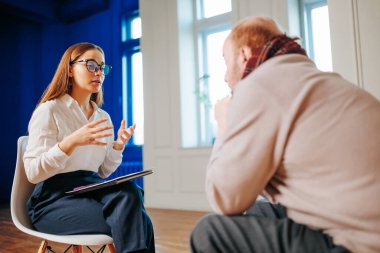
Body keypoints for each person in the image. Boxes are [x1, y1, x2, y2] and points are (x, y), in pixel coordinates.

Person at [190, 16, 380, 253]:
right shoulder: (316, 79)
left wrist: (223, 124)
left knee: (209, 232)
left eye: (225, 62)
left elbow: (225, 198)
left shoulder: (259, 85)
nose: (225, 77)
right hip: (359, 222)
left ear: (244, 55)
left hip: (359, 243)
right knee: (260, 211)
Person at [24, 42, 155, 253]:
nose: (99, 73)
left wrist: (118, 146)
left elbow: (103, 171)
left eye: (102, 67)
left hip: (91, 190)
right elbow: (33, 172)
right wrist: (71, 141)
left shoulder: (103, 117)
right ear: (69, 69)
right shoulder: (50, 110)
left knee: (131, 191)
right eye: (92, 65)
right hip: (53, 200)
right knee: (138, 220)